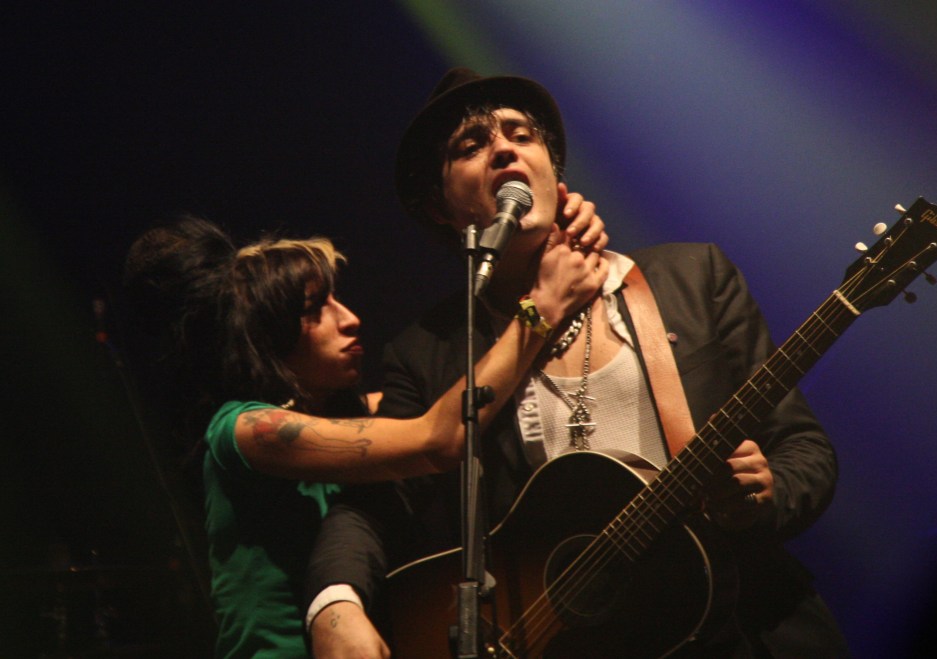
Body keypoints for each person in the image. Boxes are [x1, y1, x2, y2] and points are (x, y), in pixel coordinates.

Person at [306, 68, 850, 657]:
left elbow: (803, 448)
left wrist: (765, 496)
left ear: (553, 172)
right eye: (471, 145)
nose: (503, 149)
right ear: (441, 208)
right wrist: (335, 605)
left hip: (741, 625)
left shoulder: (693, 278)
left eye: (521, 134)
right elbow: (369, 510)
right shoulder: (427, 353)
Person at [121, 212, 607, 658]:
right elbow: (440, 435)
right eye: (316, 309)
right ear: (270, 334)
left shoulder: (352, 414)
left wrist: (560, 224)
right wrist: (540, 307)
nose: (350, 318)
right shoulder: (247, 429)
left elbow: (454, 399)